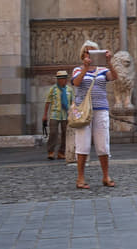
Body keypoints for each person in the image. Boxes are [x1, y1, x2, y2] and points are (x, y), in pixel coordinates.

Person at [71, 42, 118, 189]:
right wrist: (85, 68)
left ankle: (105, 176)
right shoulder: (77, 70)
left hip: (100, 109)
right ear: (82, 54)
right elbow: (76, 83)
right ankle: (80, 178)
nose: (89, 54)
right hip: (83, 111)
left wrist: (109, 61)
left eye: (92, 52)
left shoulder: (103, 70)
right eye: (86, 52)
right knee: (82, 144)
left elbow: (114, 77)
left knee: (103, 144)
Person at [42, 70, 73, 160]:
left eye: (64, 79)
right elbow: (48, 102)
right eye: (61, 79)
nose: (63, 80)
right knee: (53, 133)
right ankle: (51, 151)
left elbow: (73, 102)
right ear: (58, 80)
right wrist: (45, 115)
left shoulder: (69, 90)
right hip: (55, 114)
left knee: (65, 134)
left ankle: (61, 152)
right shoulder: (53, 89)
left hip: (66, 115)